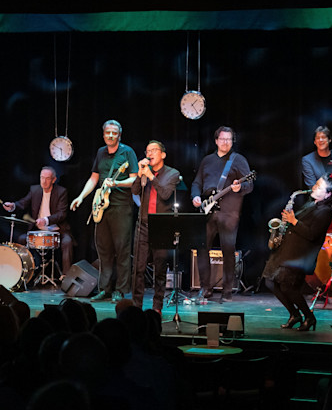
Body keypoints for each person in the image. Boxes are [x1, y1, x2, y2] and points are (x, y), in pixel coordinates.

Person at [70, 120, 138, 303]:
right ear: (103, 134)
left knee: (122, 250)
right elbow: (94, 178)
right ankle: (104, 289)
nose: (110, 135)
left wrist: (116, 183)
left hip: (121, 207)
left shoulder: (127, 152)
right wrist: (81, 197)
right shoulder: (101, 152)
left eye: (114, 133)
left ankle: (120, 290)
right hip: (102, 208)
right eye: (108, 132)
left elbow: (134, 179)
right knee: (104, 250)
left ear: (119, 135)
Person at [264, 175, 332, 332]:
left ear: (328, 194)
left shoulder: (325, 211)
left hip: (299, 256)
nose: (314, 188)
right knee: (270, 282)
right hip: (287, 250)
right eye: (316, 184)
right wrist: (287, 220)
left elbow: (312, 234)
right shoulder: (311, 204)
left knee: (288, 287)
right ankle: (294, 314)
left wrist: (294, 221)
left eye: (319, 187)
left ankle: (309, 317)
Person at [190, 126, 253, 302]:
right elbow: (196, 183)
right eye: (222, 139)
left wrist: (240, 187)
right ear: (216, 141)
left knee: (228, 250)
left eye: (229, 139)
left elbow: (250, 185)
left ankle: (227, 291)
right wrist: (195, 196)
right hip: (208, 210)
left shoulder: (238, 160)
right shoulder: (207, 160)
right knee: (202, 248)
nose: (225, 142)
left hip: (229, 212)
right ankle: (205, 288)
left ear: (232, 141)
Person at [131, 140, 181, 312]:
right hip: (143, 225)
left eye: (154, 150)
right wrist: (140, 174)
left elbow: (166, 194)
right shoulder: (145, 172)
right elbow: (134, 191)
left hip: (162, 226)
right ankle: (136, 306)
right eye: (147, 150)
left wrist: (152, 177)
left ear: (163, 154)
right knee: (138, 268)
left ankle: (157, 307)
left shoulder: (172, 173)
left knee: (159, 269)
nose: (150, 153)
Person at [2, 166, 74, 276]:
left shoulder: (61, 192)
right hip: (38, 231)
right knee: (21, 239)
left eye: (47, 178)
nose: (44, 181)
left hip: (57, 231)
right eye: (42, 177)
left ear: (54, 180)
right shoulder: (34, 190)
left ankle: (66, 276)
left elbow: (61, 214)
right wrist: (13, 206)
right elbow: (23, 203)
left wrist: (46, 220)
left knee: (67, 242)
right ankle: (23, 274)